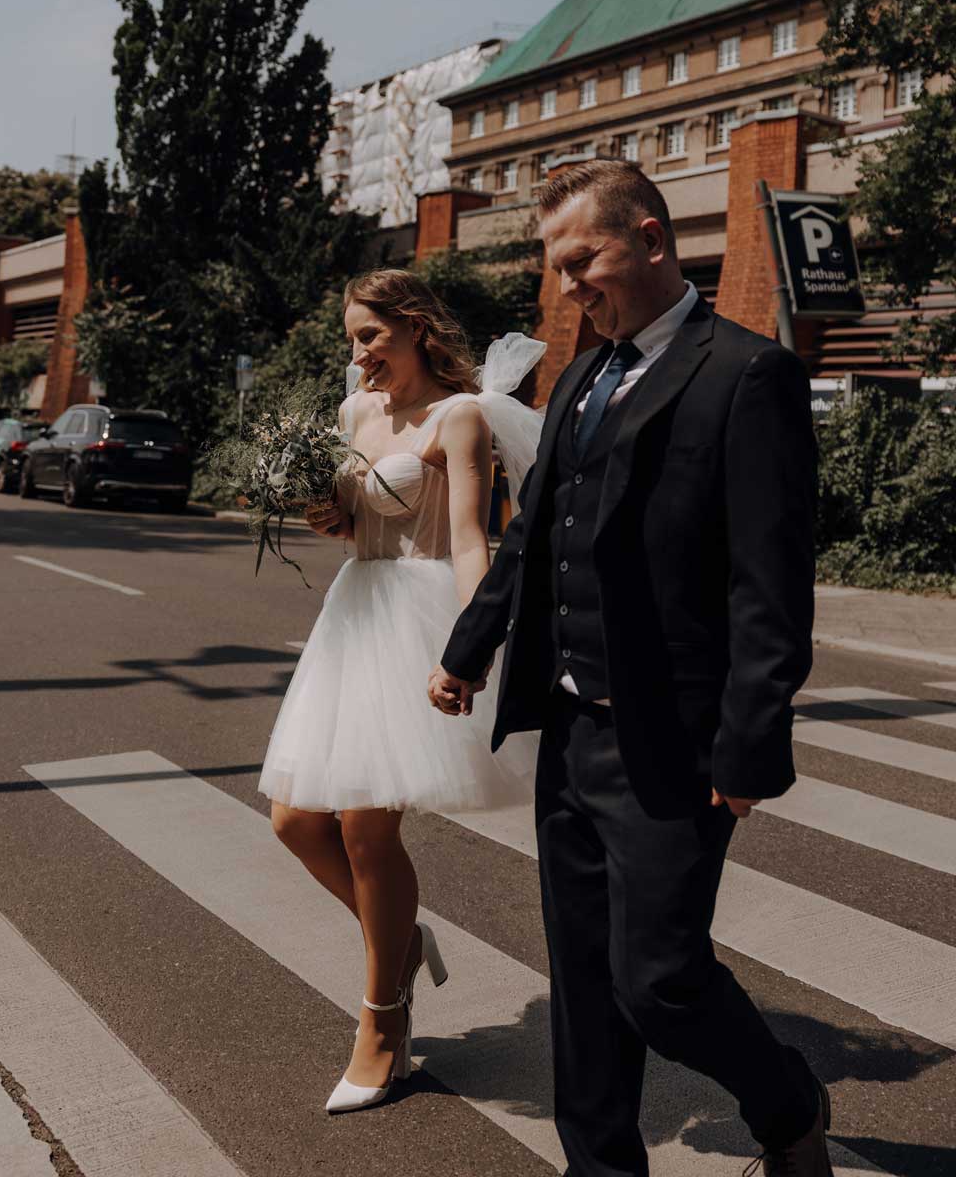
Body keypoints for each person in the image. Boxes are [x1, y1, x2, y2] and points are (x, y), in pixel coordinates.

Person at [428, 160, 832, 1177]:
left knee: (657, 980)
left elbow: (768, 584)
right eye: (556, 272)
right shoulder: (580, 377)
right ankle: (600, 1168)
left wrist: (750, 742)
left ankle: (786, 1103)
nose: (568, 289)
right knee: (580, 980)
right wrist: (470, 646)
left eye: (583, 263)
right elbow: (531, 539)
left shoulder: (745, 374)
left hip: (675, 737)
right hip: (571, 729)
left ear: (650, 241)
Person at [258, 268, 544, 1115]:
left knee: (364, 828)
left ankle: (383, 1021)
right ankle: (401, 942)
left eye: (371, 336)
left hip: (417, 617)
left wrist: (471, 642)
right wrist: (328, 514)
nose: (359, 354)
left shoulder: (462, 418)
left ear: (416, 328)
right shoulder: (355, 414)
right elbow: (358, 522)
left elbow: (467, 543)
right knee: (295, 820)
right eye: (351, 338)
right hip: (354, 611)